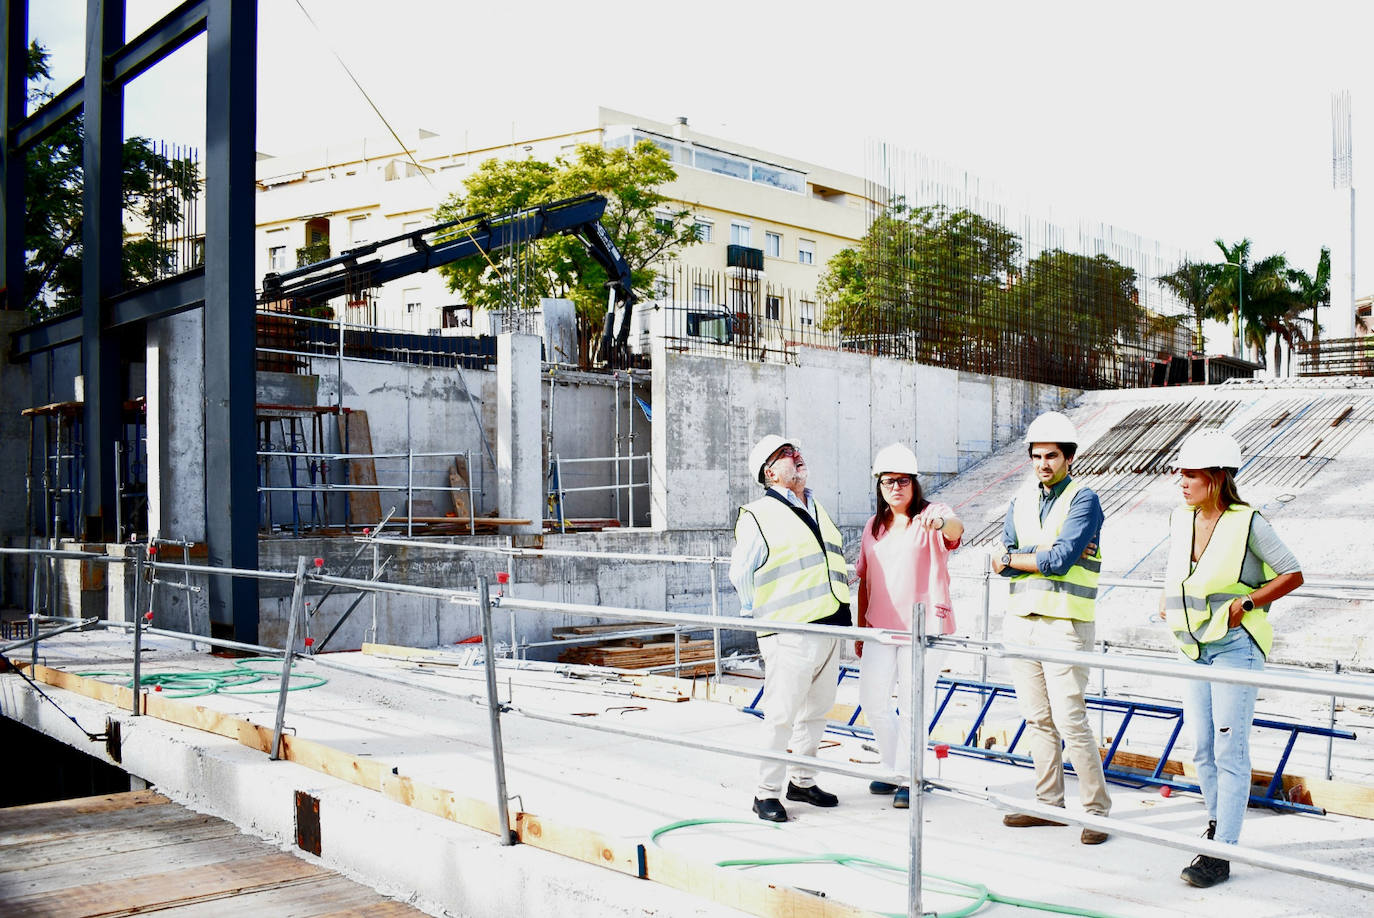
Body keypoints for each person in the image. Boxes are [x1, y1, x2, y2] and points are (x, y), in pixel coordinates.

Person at [1160, 429, 1303, 888]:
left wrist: (1250, 604)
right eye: (1180, 473)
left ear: (1217, 478)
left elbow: (1292, 572)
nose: (1182, 481)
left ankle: (1221, 853)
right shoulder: (1180, 518)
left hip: (1235, 649)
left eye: (1191, 474)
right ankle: (1217, 827)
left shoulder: (1249, 522)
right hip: (1193, 646)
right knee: (1202, 747)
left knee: (1229, 750)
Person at [990, 410, 1112, 845]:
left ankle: (1098, 812)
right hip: (1021, 621)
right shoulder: (1020, 500)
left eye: (1052, 456)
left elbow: (1059, 561)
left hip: (1065, 622)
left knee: (1070, 719)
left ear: (1069, 457)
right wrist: (1030, 557)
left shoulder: (1084, 498)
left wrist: (1018, 558)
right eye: (1037, 456)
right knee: (1037, 719)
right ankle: (1049, 805)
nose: (1044, 463)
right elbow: (1001, 562)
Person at [731, 434, 851, 823]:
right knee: (781, 715)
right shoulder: (757, 514)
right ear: (770, 472)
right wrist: (761, 616)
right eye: (785, 454)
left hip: (829, 625)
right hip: (789, 631)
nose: (796, 456)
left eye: (796, 451)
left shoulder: (816, 506)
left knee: (817, 712)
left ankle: (802, 780)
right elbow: (741, 573)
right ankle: (765, 792)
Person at [855, 443, 963, 809]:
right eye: (888, 482)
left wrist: (942, 523)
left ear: (914, 483)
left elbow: (956, 529)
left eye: (902, 481)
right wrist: (860, 630)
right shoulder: (874, 526)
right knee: (872, 701)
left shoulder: (933, 514)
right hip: (880, 628)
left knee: (914, 705)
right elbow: (865, 580)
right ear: (879, 486)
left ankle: (909, 775)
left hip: (924, 628)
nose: (895, 488)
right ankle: (894, 765)